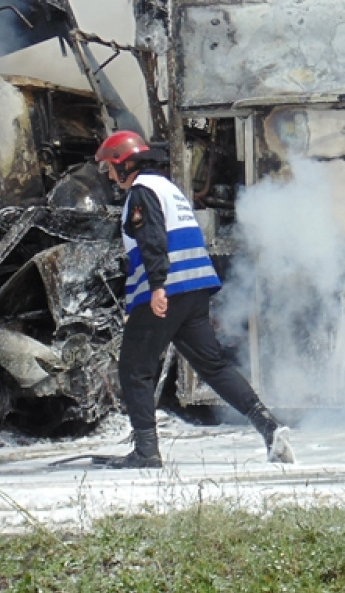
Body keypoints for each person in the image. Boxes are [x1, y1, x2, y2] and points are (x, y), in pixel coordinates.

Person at [95, 130, 293, 468]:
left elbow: (153, 239)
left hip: (167, 290)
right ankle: (269, 426)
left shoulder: (142, 192)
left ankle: (146, 452)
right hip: (194, 288)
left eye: (110, 169)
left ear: (124, 163)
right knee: (213, 366)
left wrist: (157, 286)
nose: (110, 177)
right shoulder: (167, 188)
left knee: (134, 368)